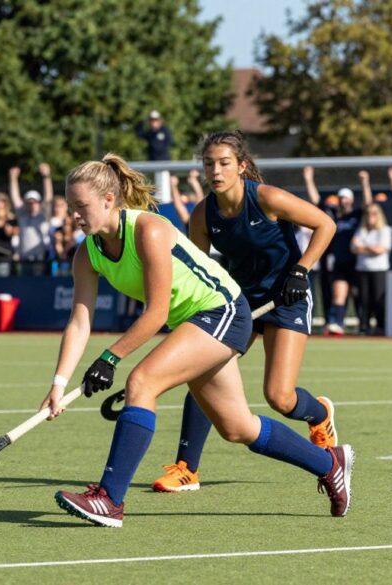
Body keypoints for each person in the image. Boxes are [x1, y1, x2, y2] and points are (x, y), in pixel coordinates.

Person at [40, 153, 353, 528]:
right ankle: (329, 464)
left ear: (109, 200)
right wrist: (59, 384)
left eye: (80, 206)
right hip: (193, 321)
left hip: (222, 311)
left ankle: (109, 499)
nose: (73, 215)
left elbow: (155, 313)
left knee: (142, 382)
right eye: (70, 207)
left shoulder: (148, 230)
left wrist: (110, 358)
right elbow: (80, 321)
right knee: (237, 427)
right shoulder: (86, 253)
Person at [152, 130, 340, 493]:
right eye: (209, 164)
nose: (216, 171)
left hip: (287, 296)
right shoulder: (203, 213)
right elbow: (197, 269)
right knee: (204, 370)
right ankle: (186, 469)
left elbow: (325, 225)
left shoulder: (267, 197)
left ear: (241, 166)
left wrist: (301, 271)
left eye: (224, 163)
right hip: (240, 300)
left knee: (280, 397)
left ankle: (319, 415)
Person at [302, 167, 361, 335]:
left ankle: (363, 325)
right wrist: (309, 180)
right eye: (341, 198)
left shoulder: (357, 215)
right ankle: (335, 323)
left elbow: (370, 204)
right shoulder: (333, 215)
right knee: (334, 293)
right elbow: (316, 201)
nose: (343, 201)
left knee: (358, 295)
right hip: (337, 262)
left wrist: (365, 183)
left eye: (346, 198)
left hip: (356, 262)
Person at [351, 203, 391, 335]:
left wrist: (363, 247)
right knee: (363, 299)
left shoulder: (384, 230)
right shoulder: (361, 230)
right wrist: (370, 248)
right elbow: (353, 248)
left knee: (378, 299)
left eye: (374, 213)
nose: (370, 216)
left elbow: (379, 249)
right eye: (368, 213)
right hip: (362, 269)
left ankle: (380, 326)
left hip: (379, 269)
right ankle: (364, 326)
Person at [12, 165, 53, 275]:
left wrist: (46, 176)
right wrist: (13, 178)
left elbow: (48, 198)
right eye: (29, 202)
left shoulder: (44, 215)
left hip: (40, 259)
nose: (32, 204)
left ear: (39, 203)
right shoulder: (22, 216)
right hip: (24, 259)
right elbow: (15, 197)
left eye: (34, 202)